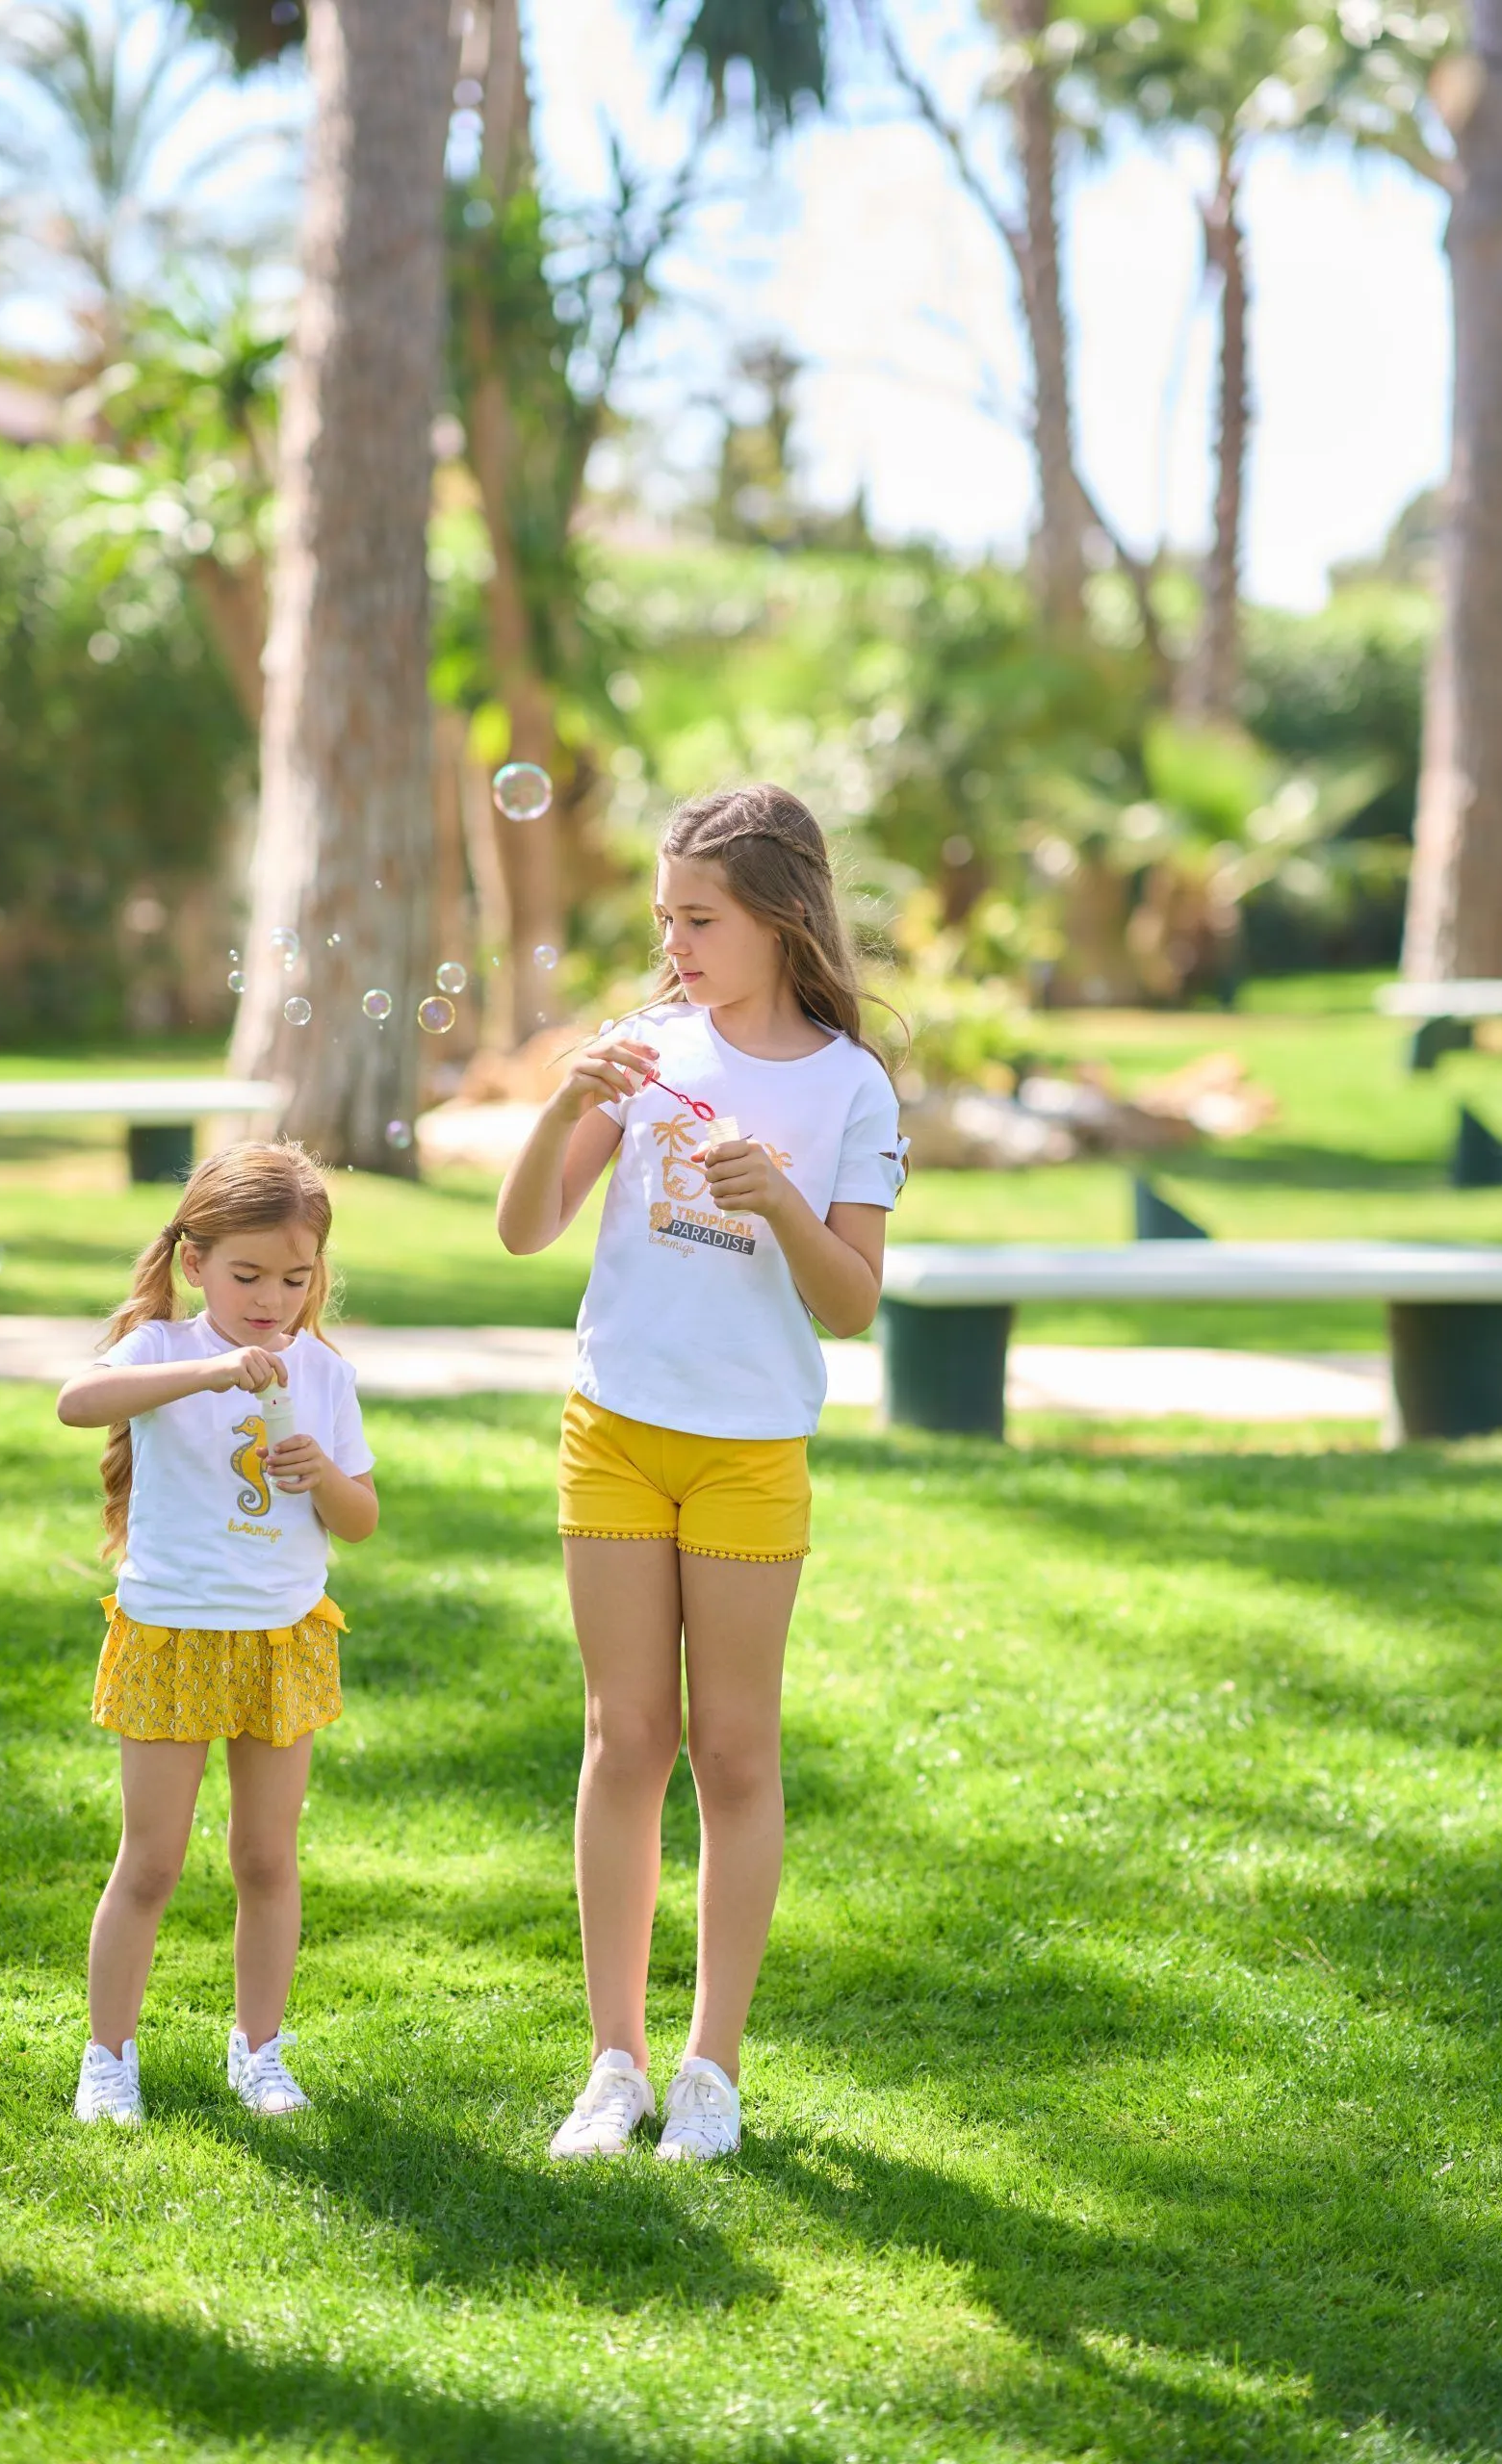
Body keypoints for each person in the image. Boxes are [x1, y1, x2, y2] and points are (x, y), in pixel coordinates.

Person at [498, 783, 907, 2162]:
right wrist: (558, 1105)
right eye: (664, 915)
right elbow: (521, 1229)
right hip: (611, 1430)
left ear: (780, 919)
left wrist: (780, 1201)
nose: (672, 943)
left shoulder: (848, 1088)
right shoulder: (641, 1048)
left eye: (698, 918)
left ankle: (708, 2071)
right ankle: (611, 2065)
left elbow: (849, 1306)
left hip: (747, 1458)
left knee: (732, 1752)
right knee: (626, 1740)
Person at [56, 1141, 377, 2128]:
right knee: (150, 1861)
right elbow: (78, 1402)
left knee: (267, 1858)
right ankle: (108, 2056)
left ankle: (261, 2048)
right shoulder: (160, 1351)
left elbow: (360, 1517)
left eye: (295, 1276)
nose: (272, 1297)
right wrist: (204, 1373)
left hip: (280, 1640)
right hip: (172, 1634)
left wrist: (320, 1473)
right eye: (247, 1275)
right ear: (196, 1263)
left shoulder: (321, 1372)